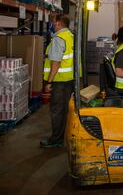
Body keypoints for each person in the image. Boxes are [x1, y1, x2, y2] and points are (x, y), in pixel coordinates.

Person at [41, 14, 75, 148]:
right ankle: (62, 137)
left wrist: (49, 82)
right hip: (69, 80)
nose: (52, 24)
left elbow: (56, 62)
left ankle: (56, 140)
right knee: (64, 110)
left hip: (59, 81)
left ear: (59, 23)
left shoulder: (58, 38)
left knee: (57, 111)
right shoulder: (71, 36)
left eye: (53, 22)